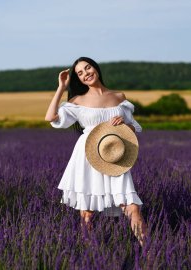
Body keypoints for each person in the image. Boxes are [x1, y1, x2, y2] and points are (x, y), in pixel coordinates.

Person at [45, 57, 147, 246]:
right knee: (87, 213)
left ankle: (150, 256)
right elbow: (51, 117)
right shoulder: (77, 100)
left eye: (88, 68)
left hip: (114, 155)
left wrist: (124, 124)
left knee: (132, 207)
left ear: (96, 68)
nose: (86, 74)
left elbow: (133, 129)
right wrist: (62, 87)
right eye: (80, 73)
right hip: (87, 156)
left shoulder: (119, 97)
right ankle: (90, 256)